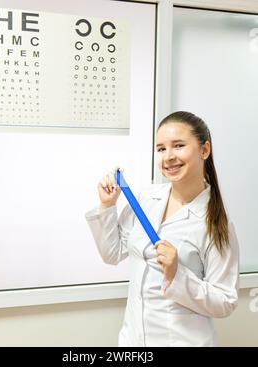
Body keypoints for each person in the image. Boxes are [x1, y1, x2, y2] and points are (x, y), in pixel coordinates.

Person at [85, 111, 239, 347]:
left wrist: (178, 274)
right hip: (133, 341)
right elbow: (112, 254)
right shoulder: (146, 199)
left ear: (204, 150)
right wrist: (107, 206)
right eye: (161, 148)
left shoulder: (216, 222)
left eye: (178, 146)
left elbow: (225, 301)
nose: (168, 157)